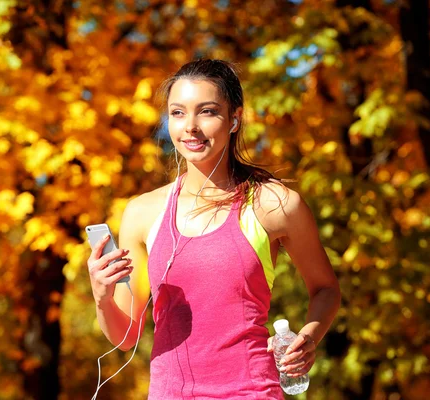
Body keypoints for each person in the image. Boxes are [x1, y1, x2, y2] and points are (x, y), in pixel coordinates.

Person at [88, 59, 341, 399]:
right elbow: (126, 338)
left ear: (234, 119)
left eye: (206, 111)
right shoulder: (142, 212)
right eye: (178, 113)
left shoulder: (275, 204)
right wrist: (102, 296)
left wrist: (308, 338)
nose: (190, 126)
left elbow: (325, 288)